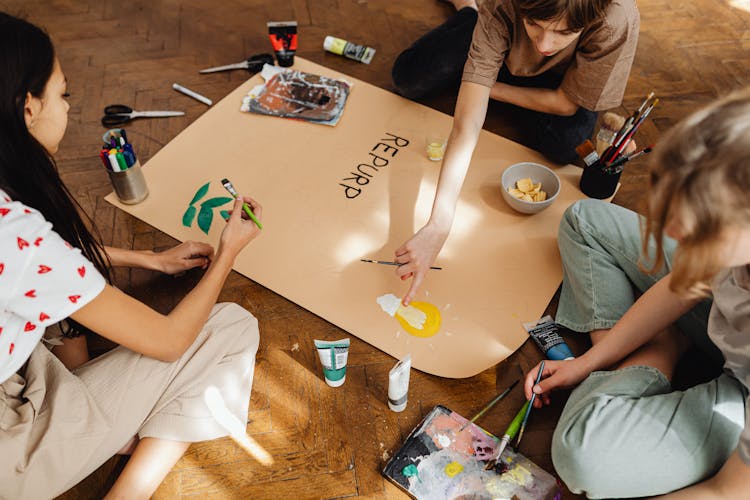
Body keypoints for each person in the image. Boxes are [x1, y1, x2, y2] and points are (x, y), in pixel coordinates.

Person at [0, 13, 263, 499]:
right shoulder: (17, 234)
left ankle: (99, 421)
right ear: (27, 107)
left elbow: (35, 267)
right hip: (9, 449)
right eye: (63, 94)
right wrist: (229, 253)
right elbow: (167, 342)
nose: (68, 108)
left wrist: (149, 259)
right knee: (230, 327)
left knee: (65, 312)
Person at [522, 88, 750, 498]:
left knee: (582, 453)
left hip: (742, 393)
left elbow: (726, 491)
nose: (674, 232)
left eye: (695, 225)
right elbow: (684, 284)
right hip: (726, 325)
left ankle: (657, 352)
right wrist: (586, 364)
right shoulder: (731, 233)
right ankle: (662, 346)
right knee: (583, 219)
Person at [392, 0, 640, 305]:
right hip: (498, 36)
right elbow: (466, 125)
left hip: (560, 81)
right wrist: (438, 224)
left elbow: (566, 103)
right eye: (533, 23)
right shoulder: (503, 5)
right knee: (407, 78)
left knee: (565, 144)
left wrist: (485, 87)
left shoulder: (616, 18)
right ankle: (470, 11)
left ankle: (489, 69)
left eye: (563, 32)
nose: (544, 43)